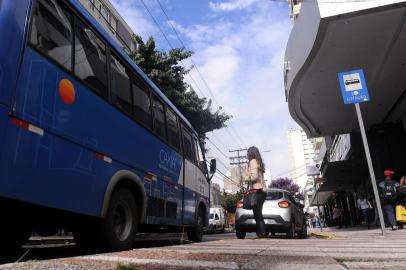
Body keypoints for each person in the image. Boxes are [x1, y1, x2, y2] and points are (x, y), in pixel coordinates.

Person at [243, 146, 267, 237]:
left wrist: (246, 177)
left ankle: (262, 233)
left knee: (257, 215)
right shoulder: (259, 162)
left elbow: (254, 177)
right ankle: (261, 233)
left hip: (257, 191)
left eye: (248, 153)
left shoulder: (252, 161)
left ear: (250, 153)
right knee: (258, 214)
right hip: (262, 192)